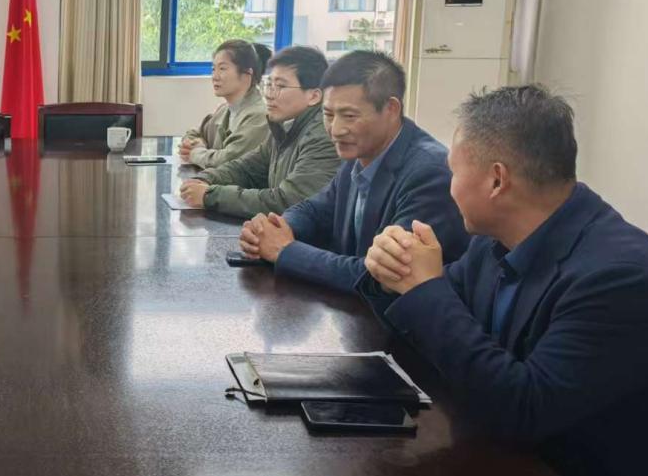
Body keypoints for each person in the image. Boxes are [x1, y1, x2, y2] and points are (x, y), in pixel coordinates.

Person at [361, 86, 648, 476]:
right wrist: (392, 277)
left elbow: (524, 409)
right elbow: (429, 332)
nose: (449, 187)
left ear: (496, 180)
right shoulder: (495, 240)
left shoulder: (621, 278)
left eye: (454, 172)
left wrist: (424, 289)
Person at [239, 49, 468, 293]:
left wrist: (285, 251)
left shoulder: (429, 173)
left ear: (391, 109)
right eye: (328, 115)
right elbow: (314, 210)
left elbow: (381, 275)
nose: (336, 130)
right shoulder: (360, 151)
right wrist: (275, 228)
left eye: (349, 116)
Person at [179, 45, 339, 219]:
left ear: (314, 96)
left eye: (280, 86)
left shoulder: (323, 136)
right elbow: (246, 169)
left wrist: (210, 196)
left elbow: (287, 201)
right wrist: (204, 179)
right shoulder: (284, 127)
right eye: (269, 84)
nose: (269, 95)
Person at [178, 40, 271, 168]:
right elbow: (193, 134)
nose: (215, 77)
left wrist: (195, 153)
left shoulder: (259, 116)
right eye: (213, 69)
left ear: (247, 74)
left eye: (222, 69)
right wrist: (198, 142)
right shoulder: (224, 110)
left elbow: (226, 162)